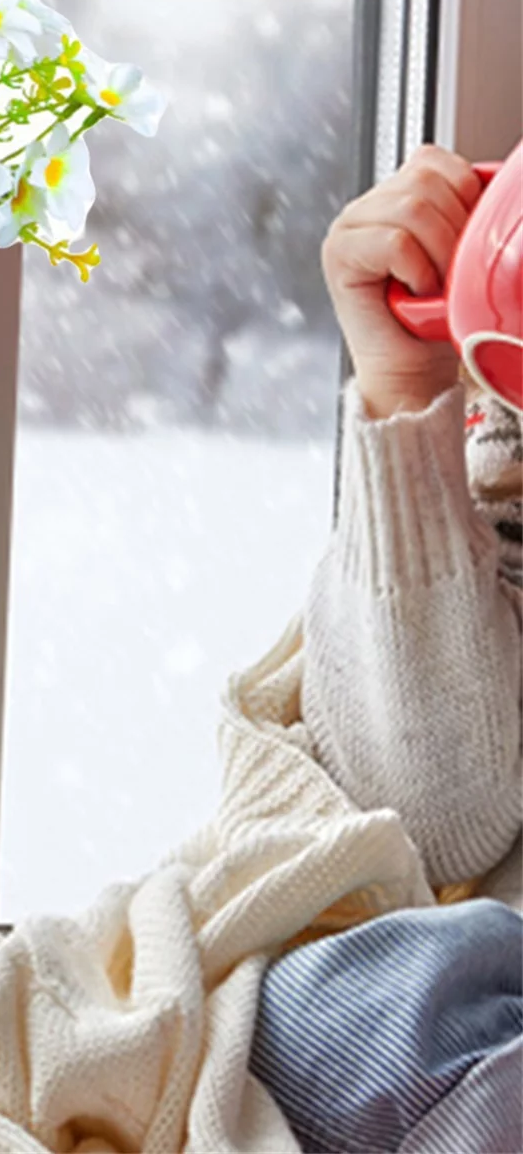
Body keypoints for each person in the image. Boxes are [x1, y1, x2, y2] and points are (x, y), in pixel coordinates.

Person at [249, 145, 523, 1152]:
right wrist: (405, 383)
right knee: (318, 1012)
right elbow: (433, 826)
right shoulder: (506, 413)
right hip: (497, 998)